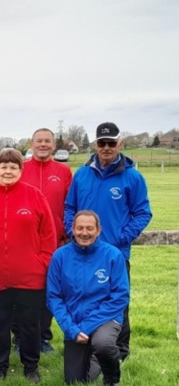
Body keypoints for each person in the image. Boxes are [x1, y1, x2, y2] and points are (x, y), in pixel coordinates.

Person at [0, 148, 56, 383]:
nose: (8, 171)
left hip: (29, 276)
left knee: (29, 325)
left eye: (13, 167)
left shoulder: (35, 196)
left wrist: (42, 262)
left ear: (20, 170)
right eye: (3, 166)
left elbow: (48, 235)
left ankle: (30, 366)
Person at [64, 122, 152, 361]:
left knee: (118, 301)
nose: (106, 148)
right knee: (82, 297)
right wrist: (72, 233)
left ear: (119, 144)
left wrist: (120, 238)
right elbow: (70, 207)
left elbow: (143, 213)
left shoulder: (132, 177)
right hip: (82, 252)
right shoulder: (82, 174)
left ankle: (120, 350)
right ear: (95, 144)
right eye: (102, 143)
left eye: (111, 143)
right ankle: (86, 343)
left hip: (115, 253)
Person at [47, 210, 129, 386]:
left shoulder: (113, 255)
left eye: (90, 228)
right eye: (80, 228)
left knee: (103, 343)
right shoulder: (60, 257)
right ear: (73, 230)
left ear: (98, 230)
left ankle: (111, 380)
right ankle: (95, 356)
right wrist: (72, 329)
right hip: (75, 323)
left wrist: (86, 326)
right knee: (75, 381)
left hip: (106, 318)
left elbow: (120, 296)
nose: (85, 233)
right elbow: (54, 298)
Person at [13, 128, 72, 355]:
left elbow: (70, 205)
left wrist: (65, 233)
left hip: (54, 243)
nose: (43, 145)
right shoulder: (21, 169)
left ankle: (43, 337)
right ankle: (19, 337)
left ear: (54, 145)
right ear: (32, 143)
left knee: (48, 291)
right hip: (23, 243)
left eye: (48, 141)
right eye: (39, 141)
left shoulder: (64, 171)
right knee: (21, 291)